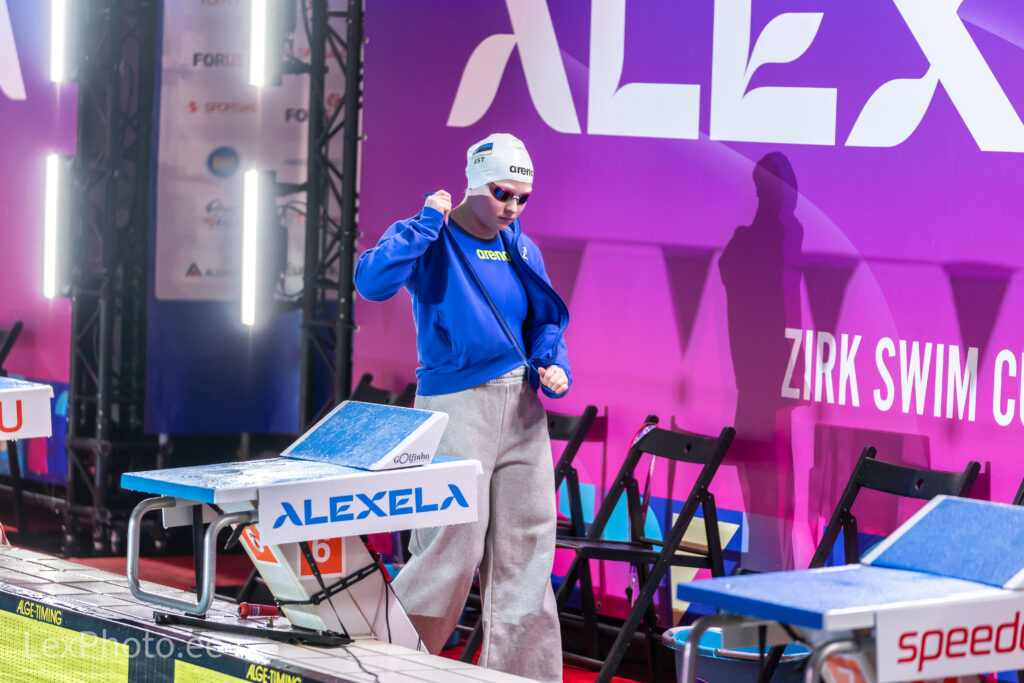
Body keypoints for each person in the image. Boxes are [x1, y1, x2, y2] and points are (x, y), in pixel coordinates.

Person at [354, 132, 570, 682]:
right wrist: (424, 222)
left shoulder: (522, 246)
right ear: (475, 184)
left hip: (523, 407)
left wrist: (553, 363)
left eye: (523, 198)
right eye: (502, 194)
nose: (513, 207)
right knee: (450, 546)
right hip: (457, 403)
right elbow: (371, 282)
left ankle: (522, 677)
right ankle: (383, 667)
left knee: (527, 552)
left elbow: (545, 320)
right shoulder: (433, 237)